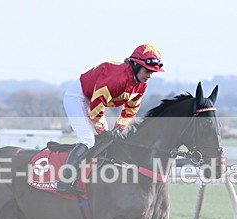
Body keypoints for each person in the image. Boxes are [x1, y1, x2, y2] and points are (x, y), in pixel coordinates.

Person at [57, 44, 164, 192]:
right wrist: (103, 131)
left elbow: (131, 108)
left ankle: (92, 181)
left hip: (94, 100)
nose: (149, 75)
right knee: (87, 140)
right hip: (78, 97)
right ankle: (64, 182)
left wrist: (118, 129)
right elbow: (96, 106)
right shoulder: (116, 78)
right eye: (147, 70)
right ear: (135, 65)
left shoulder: (141, 85)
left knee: (105, 143)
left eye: (153, 72)